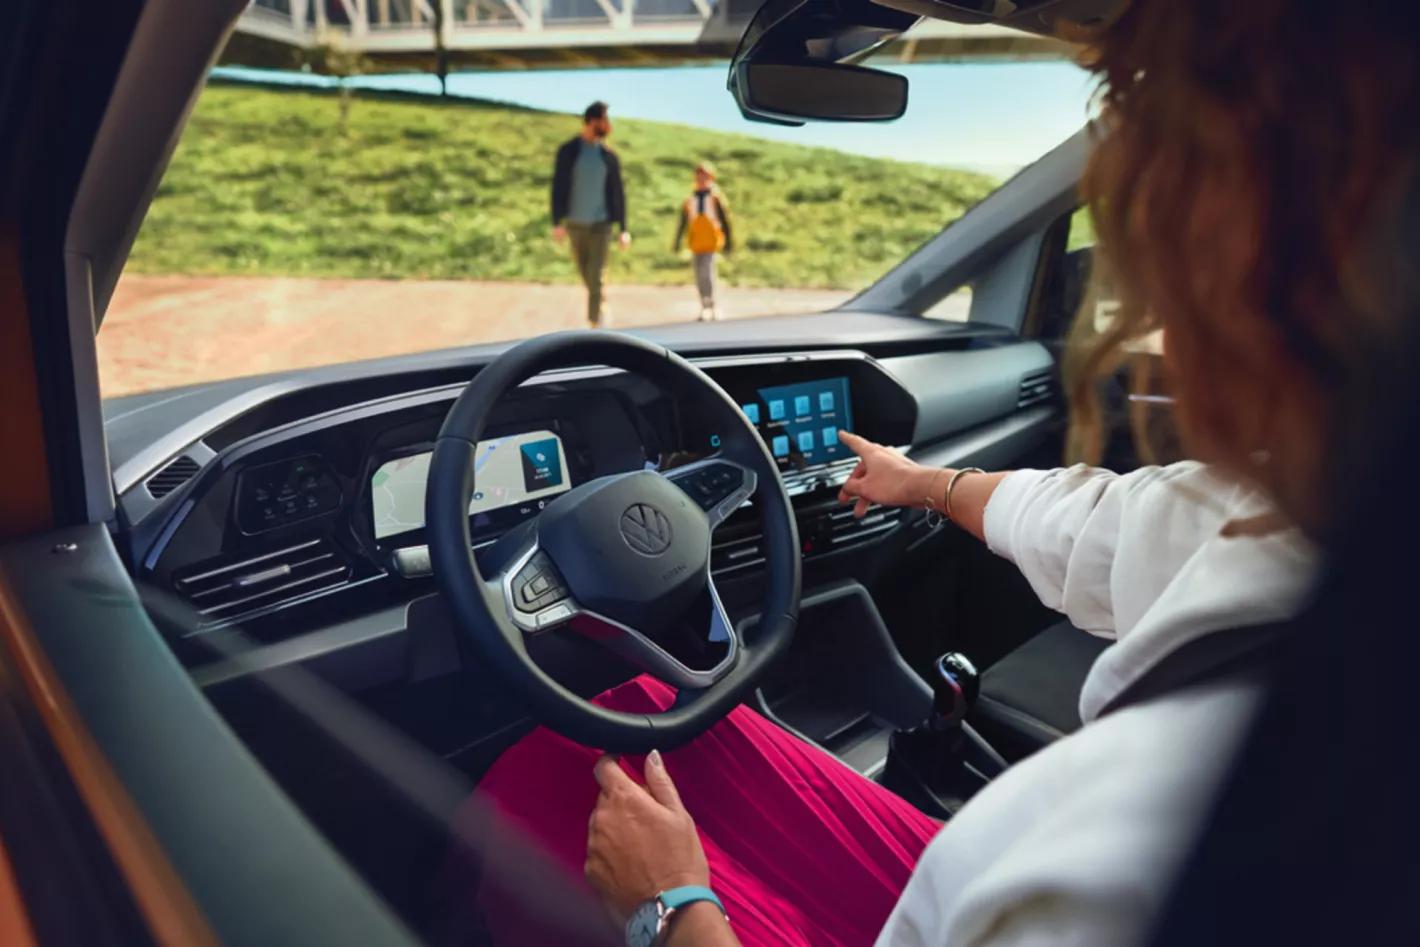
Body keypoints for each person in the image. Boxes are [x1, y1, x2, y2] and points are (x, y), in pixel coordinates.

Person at [477, 2, 1419, 945]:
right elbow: (1114, 525)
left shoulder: (1135, 875)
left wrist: (667, 907)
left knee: (537, 783)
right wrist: (924, 483)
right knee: (644, 702)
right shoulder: (1291, 522)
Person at [551, 101, 630, 328]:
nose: (608, 126)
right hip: (575, 224)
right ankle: (601, 306)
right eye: (605, 120)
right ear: (592, 121)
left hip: (601, 225)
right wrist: (557, 222)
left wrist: (623, 228)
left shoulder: (608, 156)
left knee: (595, 277)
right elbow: (558, 187)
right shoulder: (568, 151)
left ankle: (594, 325)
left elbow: (618, 193)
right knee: (587, 276)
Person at [672, 162, 734, 321]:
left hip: (711, 243)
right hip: (696, 243)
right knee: (699, 275)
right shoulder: (690, 200)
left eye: (705, 177)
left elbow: (725, 220)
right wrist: (677, 241)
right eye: (699, 177)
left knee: (708, 274)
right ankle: (704, 306)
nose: (701, 180)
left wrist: (729, 241)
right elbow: (683, 222)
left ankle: (712, 305)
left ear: (711, 178)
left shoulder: (715, 198)